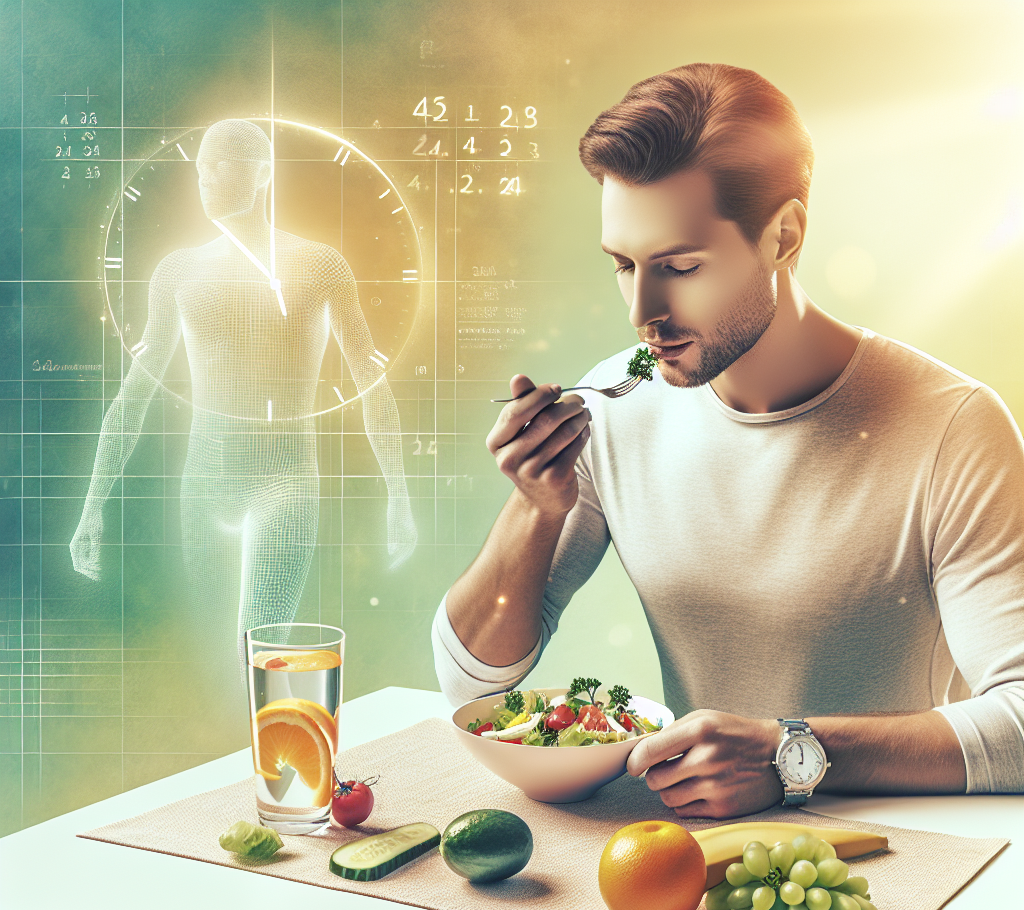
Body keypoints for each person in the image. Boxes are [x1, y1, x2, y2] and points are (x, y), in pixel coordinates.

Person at [432, 63, 1024, 817]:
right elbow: (471, 688)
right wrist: (535, 509)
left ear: (784, 235)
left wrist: (789, 754)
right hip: (690, 854)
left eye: (680, 267)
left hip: (906, 860)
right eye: (623, 265)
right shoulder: (615, 404)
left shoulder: (952, 426)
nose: (644, 310)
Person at [71, 119, 417, 690]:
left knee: (256, 653)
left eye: (218, 163)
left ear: (260, 175)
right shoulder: (178, 271)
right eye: (200, 165)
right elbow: (134, 395)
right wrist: (92, 506)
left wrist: (398, 495)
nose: (203, 177)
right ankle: (247, 765)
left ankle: (277, 771)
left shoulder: (319, 266)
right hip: (203, 483)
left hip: (285, 480)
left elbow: (370, 385)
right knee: (213, 672)